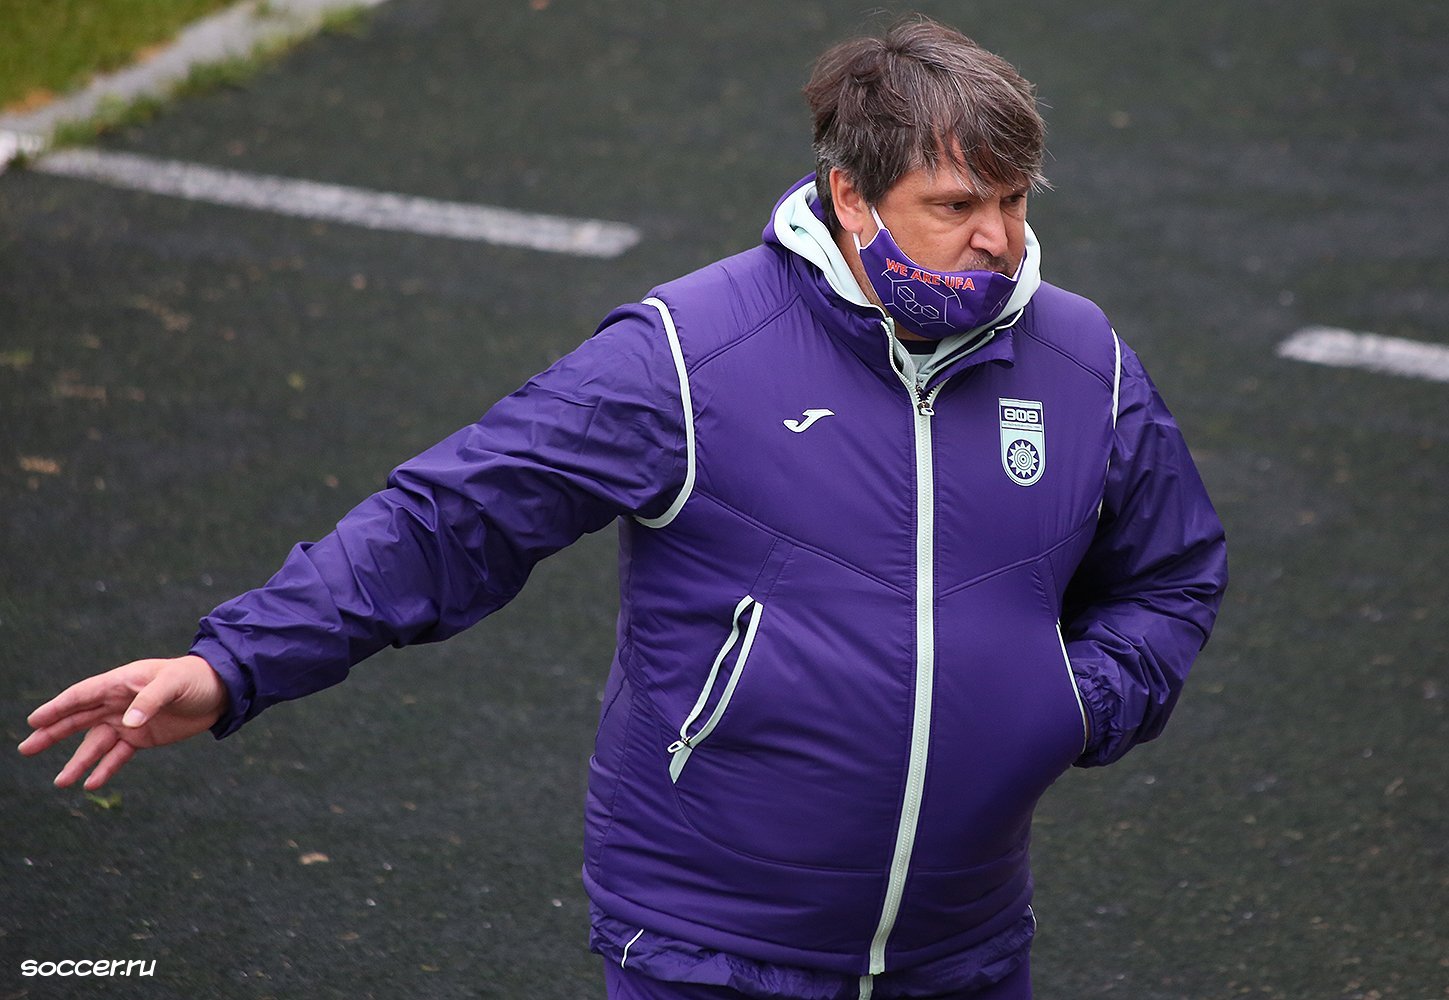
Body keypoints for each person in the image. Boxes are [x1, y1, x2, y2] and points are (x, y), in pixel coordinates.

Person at [19, 16, 1227, 1000]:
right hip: (710, 950)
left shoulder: (1081, 362)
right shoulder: (688, 356)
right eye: (956, 205)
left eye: (1013, 201)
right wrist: (233, 663)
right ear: (852, 197)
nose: (999, 240)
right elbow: (453, 518)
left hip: (964, 951)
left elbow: (1172, 573)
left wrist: (1078, 700)